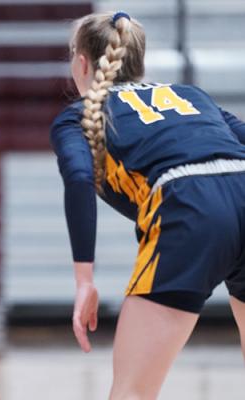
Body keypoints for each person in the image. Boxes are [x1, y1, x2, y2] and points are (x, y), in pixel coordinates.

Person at [50, 11, 245, 399]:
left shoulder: (78, 117)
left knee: (132, 392)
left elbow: (79, 179)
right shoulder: (190, 95)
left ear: (82, 62)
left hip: (190, 207)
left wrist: (84, 279)